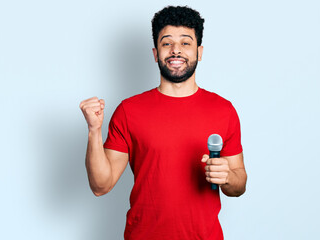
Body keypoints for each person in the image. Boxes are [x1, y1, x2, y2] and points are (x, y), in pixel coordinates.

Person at [79, 6, 247, 240]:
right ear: (156, 53)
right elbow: (101, 185)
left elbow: (239, 184)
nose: (176, 50)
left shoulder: (223, 110)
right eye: (166, 43)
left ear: (200, 52)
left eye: (186, 43)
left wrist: (227, 176)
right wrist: (93, 131)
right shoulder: (129, 110)